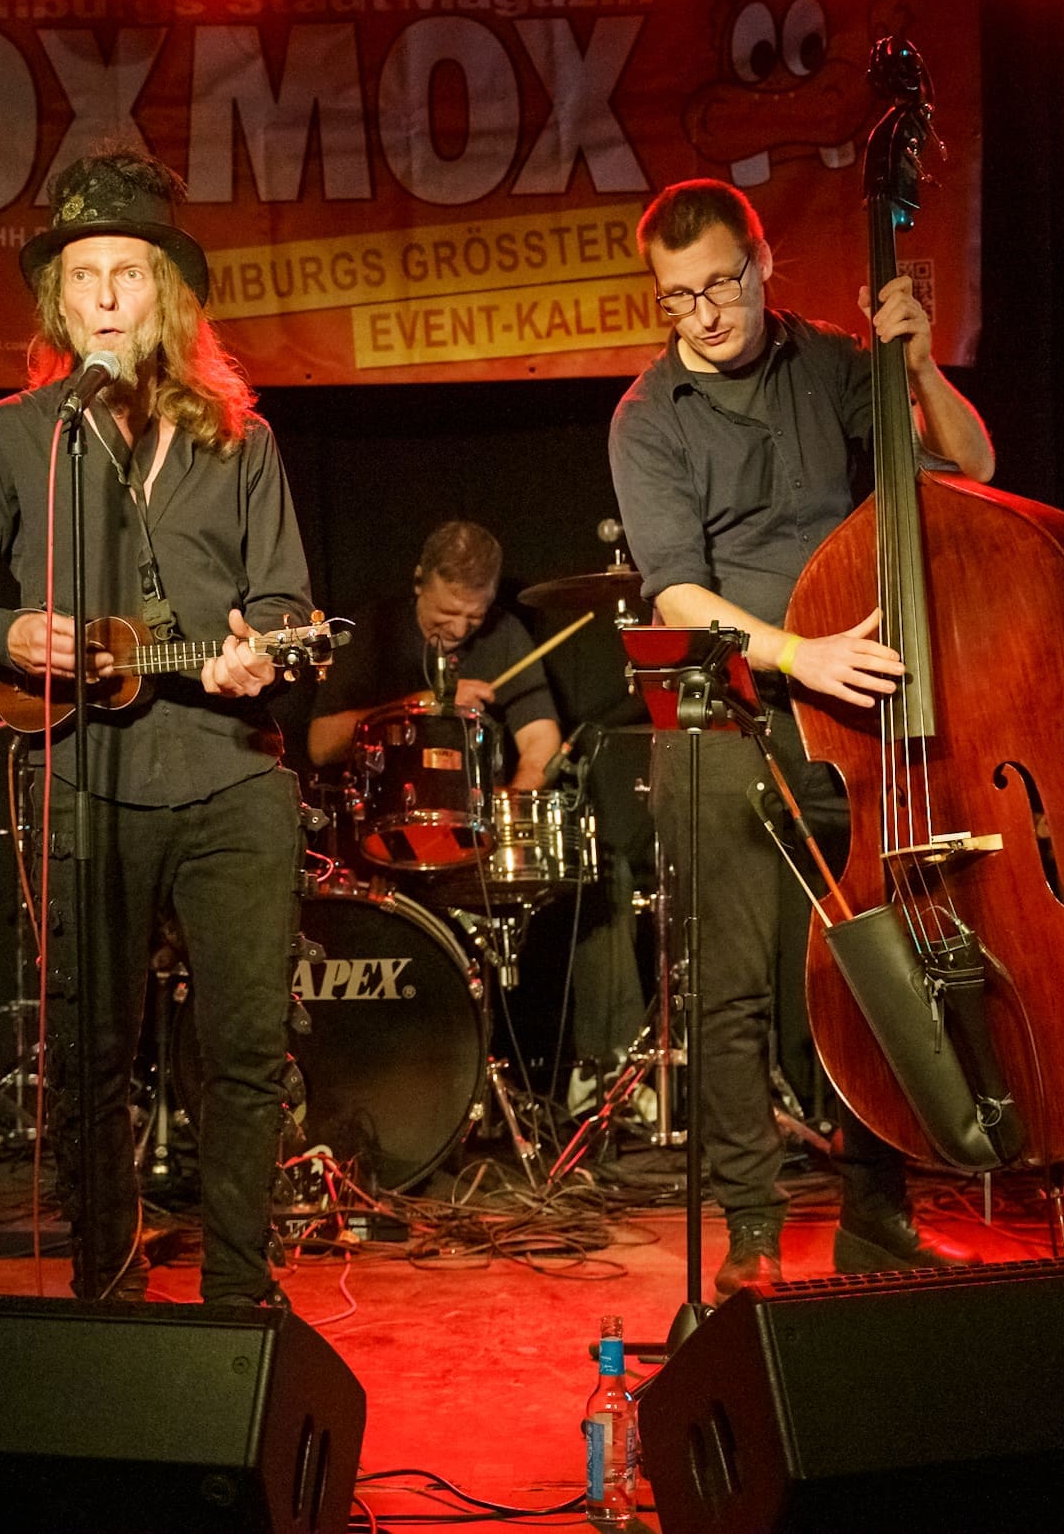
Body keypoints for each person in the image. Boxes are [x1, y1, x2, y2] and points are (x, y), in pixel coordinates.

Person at [0, 147, 310, 1308]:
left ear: (165, 292)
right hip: (79, 775)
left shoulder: (240, 441)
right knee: (86, 1054)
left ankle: (238, 1295)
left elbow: (285, 606)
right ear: (57, 298)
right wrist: (6, 633)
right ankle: (108, 1295)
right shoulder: (14, 436)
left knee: (244, 1050)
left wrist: (253, 652)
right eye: (82, 276)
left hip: (229, 774)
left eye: (126, 273)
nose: (104, 297)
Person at [607, 179, 994, 1301]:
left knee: (875, 972)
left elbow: (971, 472)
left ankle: (877, 1215)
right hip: (728, 712)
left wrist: (919, 369)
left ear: (763, 261)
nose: (704, 315)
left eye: (720, 285)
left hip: (854, 715)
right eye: (677, 298)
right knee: (728, 989)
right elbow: (677, 594)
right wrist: (796, 653)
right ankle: (752, 1231)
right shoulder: (647, 416)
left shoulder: (830, 363)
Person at [307, 520, 562, 790]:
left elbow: (541, 740)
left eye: (475, 616)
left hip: (476, 810)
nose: (459, 629)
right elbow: (321, 746)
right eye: (448, 612)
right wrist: (427, 704)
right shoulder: (374, 629)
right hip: (382, 805)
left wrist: (513, 800)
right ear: (419, 582)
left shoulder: (505, 634)